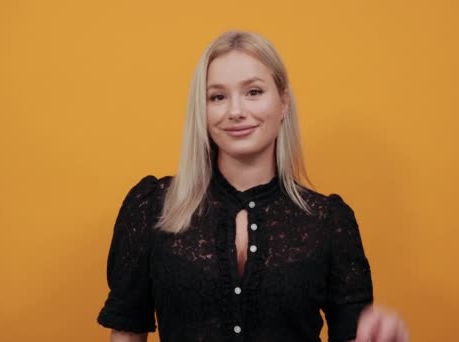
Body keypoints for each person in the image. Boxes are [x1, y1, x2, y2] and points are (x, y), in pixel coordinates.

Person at [97, 31, 409, 342]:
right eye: (217, 96)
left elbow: (355, 335)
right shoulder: (152, 207)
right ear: (202, 111)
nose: (235, 111)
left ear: (283, 101)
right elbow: (127, 331)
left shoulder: (329, 222)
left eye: (254, 92)